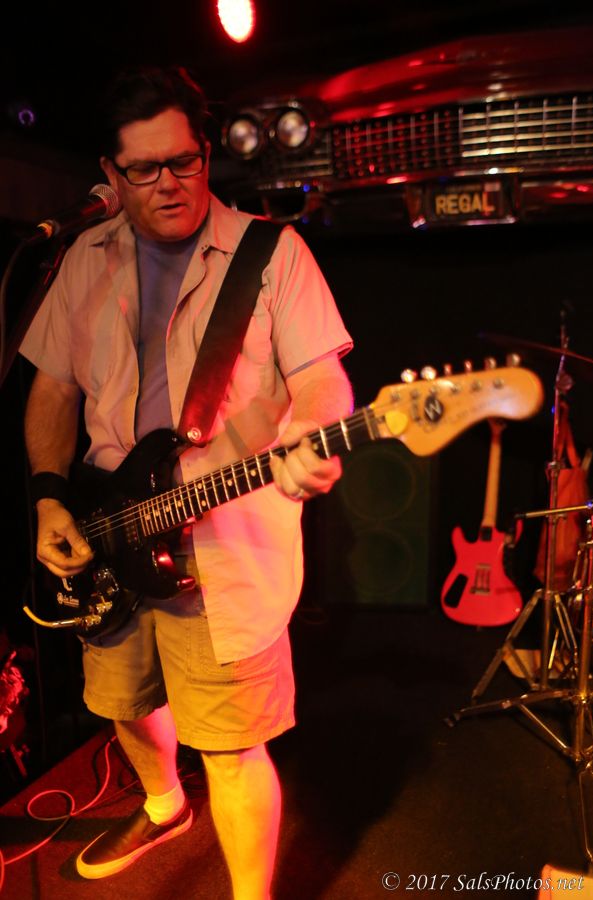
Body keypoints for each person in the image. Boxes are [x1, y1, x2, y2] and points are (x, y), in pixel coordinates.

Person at [19, 66, 353, 898]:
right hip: (106, 528)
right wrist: (49, 496)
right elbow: (53, 390)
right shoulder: (83, 258)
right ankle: (164, 805)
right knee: (123, 702)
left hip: (225, 544)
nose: (169, 183)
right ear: (109, 172)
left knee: (232, 747)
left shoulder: (273, 255)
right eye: (144, 169)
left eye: (185, 161)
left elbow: (321, 380)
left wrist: (311, 439)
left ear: (207, 154)